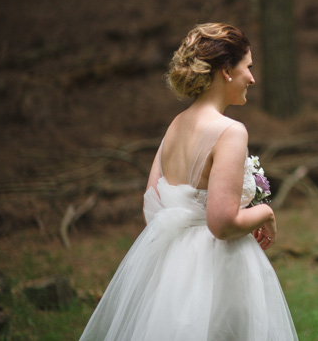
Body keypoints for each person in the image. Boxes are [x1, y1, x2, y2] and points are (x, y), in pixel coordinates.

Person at [80, 23, 298, 340]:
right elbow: (222, 223)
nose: (252, 78)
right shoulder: (230, 131)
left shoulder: (176, 126)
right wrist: (266, 213)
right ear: (226, 70)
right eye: (247, 67)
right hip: (222, 270)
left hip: (174, 272)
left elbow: (152, 205)